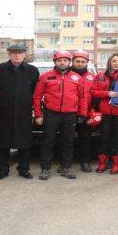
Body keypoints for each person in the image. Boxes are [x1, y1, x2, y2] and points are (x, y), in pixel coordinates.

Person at [33, 50, 86, 180]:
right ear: (55, 62)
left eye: (65, 60)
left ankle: (66, 168)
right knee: (48, 142)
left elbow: (82, 97)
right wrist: (38, 115)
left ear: (69, 62)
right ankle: (45, 169)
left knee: (68, 142)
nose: (62, 62)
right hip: (51, 114)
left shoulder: (76, 78)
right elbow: (37, 97)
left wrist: (82, 114)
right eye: (59, 60)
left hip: (69, 115)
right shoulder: (46, 76)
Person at [0, 43, 40, 180]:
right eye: (14, 53)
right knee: (2, 142)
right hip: (3, 113)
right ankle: (2, 170)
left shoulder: (32, 71)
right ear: (9, 54)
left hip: (24, 113)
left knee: (25, 143)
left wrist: (35, 112)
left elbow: (36, 93)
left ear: (25, 54)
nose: (17, 55)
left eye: (20, 53)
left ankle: (23, 169)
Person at [71, 50, 96, 172]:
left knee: (85, 139)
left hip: (86, 113)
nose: (80, 64)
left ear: (87, 63)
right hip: (68, 112)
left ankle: (85, 162)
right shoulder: (67, 75)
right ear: (73, 62)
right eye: (77, 61)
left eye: (83, 61)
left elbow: (96, 93)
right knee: (67, 139)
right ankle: (66, 163)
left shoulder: (92, 77)